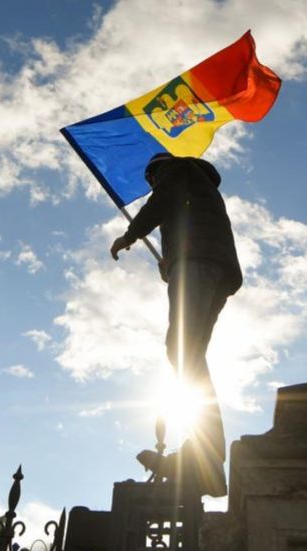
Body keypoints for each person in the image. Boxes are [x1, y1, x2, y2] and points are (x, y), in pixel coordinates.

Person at [109, 152, 242, 497]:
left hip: (198, 263)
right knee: (189, 354)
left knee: (180, 350)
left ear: (156, 171)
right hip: (214, 267)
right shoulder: (198, 186)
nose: (152, 184)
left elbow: (162, 201)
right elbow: (187, 222)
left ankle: (205, 460)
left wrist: (130, 235)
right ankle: (206, 461)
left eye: (151, 179)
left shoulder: (176, 169)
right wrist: (171, 263)